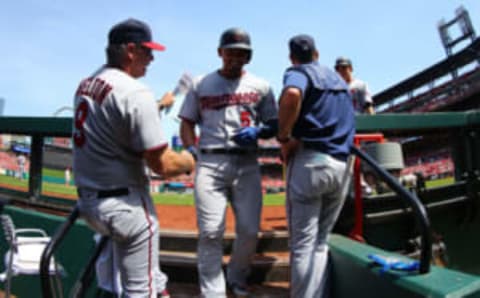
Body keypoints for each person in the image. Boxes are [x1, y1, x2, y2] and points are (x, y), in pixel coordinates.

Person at [72, 18, 195, 298]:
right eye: (147, 51)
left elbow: (114, 115)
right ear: (130, 50)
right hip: (126, 208)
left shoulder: (87, 83)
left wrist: (160, 105)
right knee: (142, 291)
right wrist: (190, 159)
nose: (151, 58)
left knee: (115, 283)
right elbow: (162, 164)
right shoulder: (135, 92)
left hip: (90, 204)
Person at [178, 27, 278, 297]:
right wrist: (191, 148)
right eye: (230, 52)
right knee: (210, 231)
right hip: (210, 162)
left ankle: (237, 276)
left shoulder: (261, 86)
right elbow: (186, 122)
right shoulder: (201, 84)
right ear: (220, 53)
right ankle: (213, 291)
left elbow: (274, 123)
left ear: (249, 57)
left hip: (246, 163)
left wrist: (260, 131)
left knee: (248, 229)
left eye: (241, 53)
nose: (235, 57)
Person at [277, 34, 355, 297]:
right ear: (317, 53)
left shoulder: (298, 72)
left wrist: (284, 136)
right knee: (320, 243)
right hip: (342, 166)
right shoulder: (339, 80)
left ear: (292, 57)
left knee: (302, 245)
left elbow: (291, 95)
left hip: (311, 164)